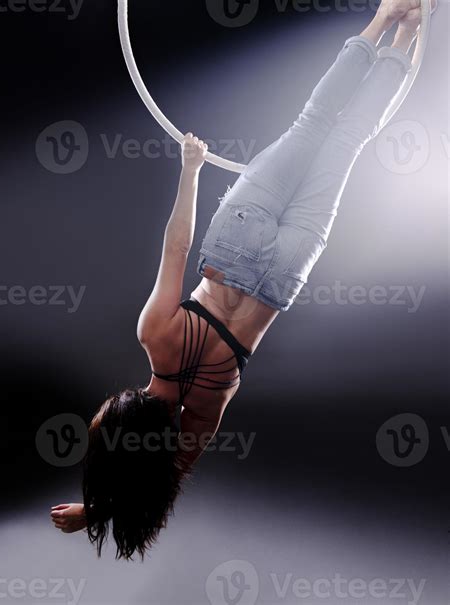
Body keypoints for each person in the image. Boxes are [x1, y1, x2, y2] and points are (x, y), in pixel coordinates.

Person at [51, 0, 433, 559]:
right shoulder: (155, 335)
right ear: (120, 413)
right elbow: (177, 245)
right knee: (315, 123)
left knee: (346, 142)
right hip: (236, 242)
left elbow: (159, 478)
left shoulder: (204, 412)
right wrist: (190, 170)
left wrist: (99, 511)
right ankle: (384, 19)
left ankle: (404, 35)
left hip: (284, 273)